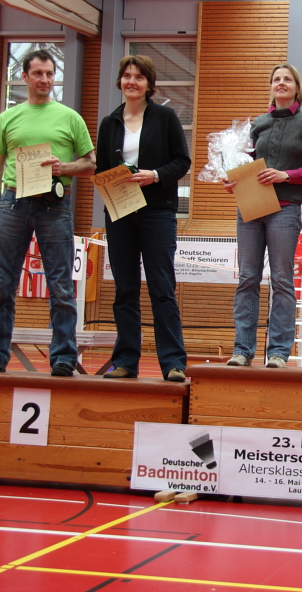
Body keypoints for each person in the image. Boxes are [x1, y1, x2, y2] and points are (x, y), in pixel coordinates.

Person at [0, 49, 96, 376]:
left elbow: (91, 163)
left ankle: (63, 358)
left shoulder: (70, 118)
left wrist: (63, 167)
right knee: (2, 283)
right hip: (13, 203)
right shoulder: (7, 118)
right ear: (24, 77)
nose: (45, 79)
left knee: (61, 285)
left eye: (50, 73)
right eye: (38, 73)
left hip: (55, 204)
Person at [224, 63, 302, 368]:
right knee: (247, 278)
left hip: (286, 208)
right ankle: (242, 350)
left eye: (287, 79)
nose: (281, 83)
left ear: (296, 87)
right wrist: (232, 178)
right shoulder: (258, 124)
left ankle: (279, 352)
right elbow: (245, 163)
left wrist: (286, 175)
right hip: (251, 206)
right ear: (271, 86)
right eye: (276, 79)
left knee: (282, 280)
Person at [96, 55, 191, 382]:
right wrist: (112, 181)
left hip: (157, 211)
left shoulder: (165, 117)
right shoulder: (109, 123)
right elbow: (101, 169)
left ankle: (173, 363)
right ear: (120, 81)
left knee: (162, 288)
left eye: (138, 76)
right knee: (125, 289)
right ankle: (125, 361)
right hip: (120, 212)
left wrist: (155, 175)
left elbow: (182, 162)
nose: (131, 81)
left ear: (149, 84)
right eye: (127, 76)